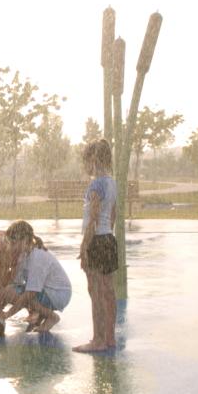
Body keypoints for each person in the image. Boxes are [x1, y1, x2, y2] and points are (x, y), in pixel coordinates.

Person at [74, 139, 118, 354]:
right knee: (108, 291)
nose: (85, 166)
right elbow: (113, 214)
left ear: (93, 159)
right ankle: (110, 337)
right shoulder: (112, 183)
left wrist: (85, 246)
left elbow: (93, 218)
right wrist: (107, 234)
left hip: (96, 241)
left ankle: (98, 340)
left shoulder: (96, 185)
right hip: (108, 238)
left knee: (96, 292)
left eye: (86, 161)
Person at [2, 220, 71, 334]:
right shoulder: (25, 255)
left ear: (24, 240)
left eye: (13, 243)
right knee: (11, 290)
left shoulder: (37, 258)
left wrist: (7, 314)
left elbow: (30, 293)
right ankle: (41, 314)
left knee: (11, 292)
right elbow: (15, 282)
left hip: (58, 294)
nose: (11, 247)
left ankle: (51, 316)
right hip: (50, 291)